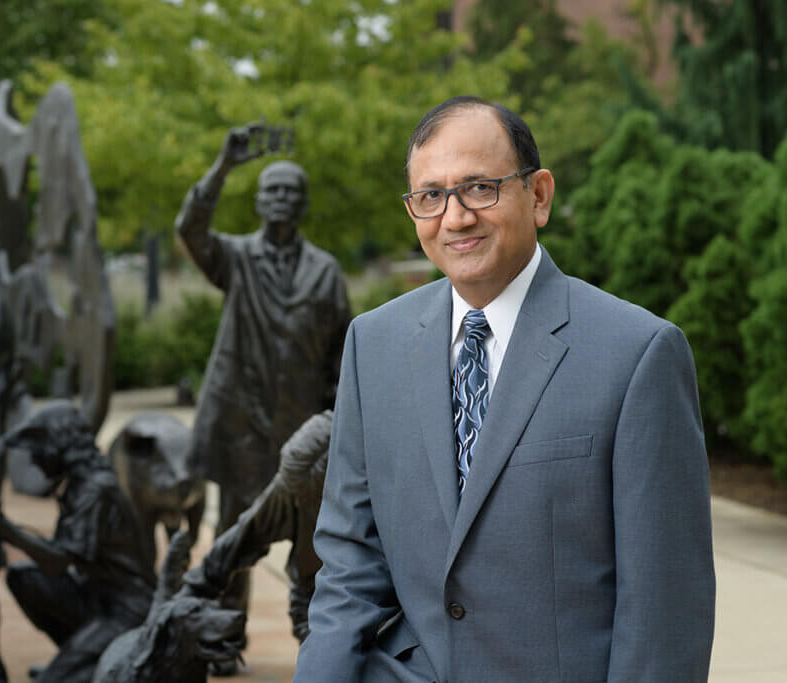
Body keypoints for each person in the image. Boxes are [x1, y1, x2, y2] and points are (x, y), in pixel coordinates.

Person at [295, 96, 715, 682]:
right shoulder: (374, 344)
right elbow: (349, 566)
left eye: (480, 188)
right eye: (430, 196)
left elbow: (663, 612)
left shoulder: (639, 353)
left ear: (538, 195)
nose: (455, 217)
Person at [174, 121, 351, 671]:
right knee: (234, 541)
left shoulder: (325, 272)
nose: (279, 198)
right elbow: (190, 229)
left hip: (298, 439)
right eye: (271, 189)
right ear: (256, 199)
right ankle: (225, 645)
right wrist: (222, 166)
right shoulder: (234, 259)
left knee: (314, 551)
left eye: (290, 191)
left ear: (303, 204)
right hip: (239, 428)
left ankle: (318, 650)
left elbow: (342, 361)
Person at [0, 401, 156, 683]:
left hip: (127, 612)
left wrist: (3, 526)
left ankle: (89, 661)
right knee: (23, 578)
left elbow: (58, 562)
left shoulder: (94, 490)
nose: (34, 460)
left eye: (37, 450)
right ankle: (79, 655)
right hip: (96, 598)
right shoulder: (80, 484)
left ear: (58, 443)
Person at [181, 409, 332, 644]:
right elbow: (242, 536)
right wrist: (191, 592)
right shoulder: (298, 478)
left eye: (311, 499)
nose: (301, 503)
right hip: (312, 600)